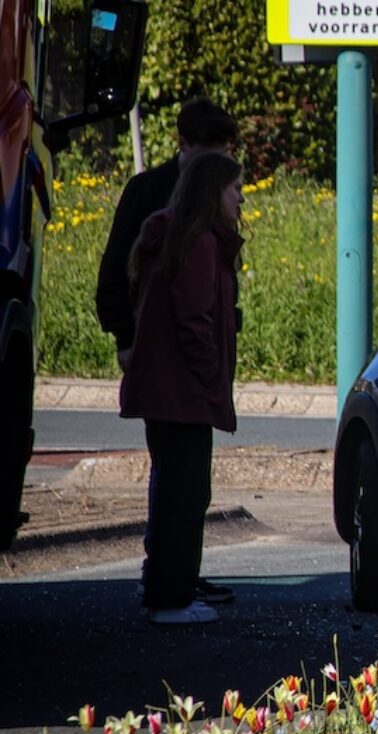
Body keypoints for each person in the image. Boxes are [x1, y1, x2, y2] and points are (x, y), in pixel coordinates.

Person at [94, 98, 238, 608]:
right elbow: (118, 273)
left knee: (185, 479)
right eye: (209, 150)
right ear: (185, 146)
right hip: (164, 358)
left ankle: (176, 574)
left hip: (175, 360)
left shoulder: (203, 203)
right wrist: (126, 340)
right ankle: (167, 578)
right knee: (177, 476)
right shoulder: (152, 194)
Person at [119, 153, 245, 625]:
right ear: (212, 191)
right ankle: (172, 598)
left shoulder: (172, 235)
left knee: (174, 490)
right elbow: (195, 321)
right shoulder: (200, 244)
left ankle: (163, 589)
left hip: (164, 390)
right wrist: (212, 377)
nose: (240, 197)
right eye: (234, 188)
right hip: (184, 393)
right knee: (187, 496)